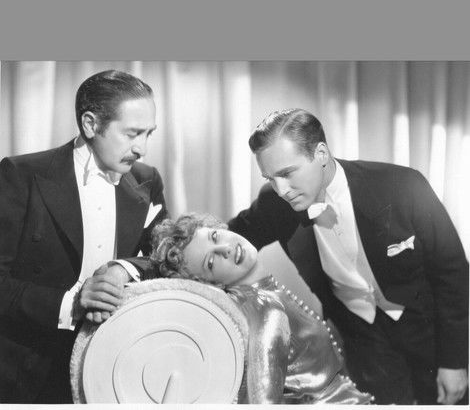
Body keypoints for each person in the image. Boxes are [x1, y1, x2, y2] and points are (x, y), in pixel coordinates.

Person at [226, 108, 469, 404]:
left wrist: (454, 361)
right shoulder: (274, 204)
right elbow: (225, 238)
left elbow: (453, 274)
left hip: (431, 333)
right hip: (362, 343)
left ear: (321, 154)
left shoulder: (403, 185)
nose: (281, 190)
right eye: (270, 178)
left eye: (287, 173)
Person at [0, 70, 167, 403]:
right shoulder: (20, 174)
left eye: (148, 133)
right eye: (132, 133)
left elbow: (164, 257)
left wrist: (123, 269)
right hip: (27, 372)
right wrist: (71, 304)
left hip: (115, 365)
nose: (142, 149)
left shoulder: (148, 180)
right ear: (90, 124)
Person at [149, 212, 373, 404]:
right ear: (211, 284)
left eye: (215, 236)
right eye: (211, 262)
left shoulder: (259, 298)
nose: (225, 249)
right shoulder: (267, 312)